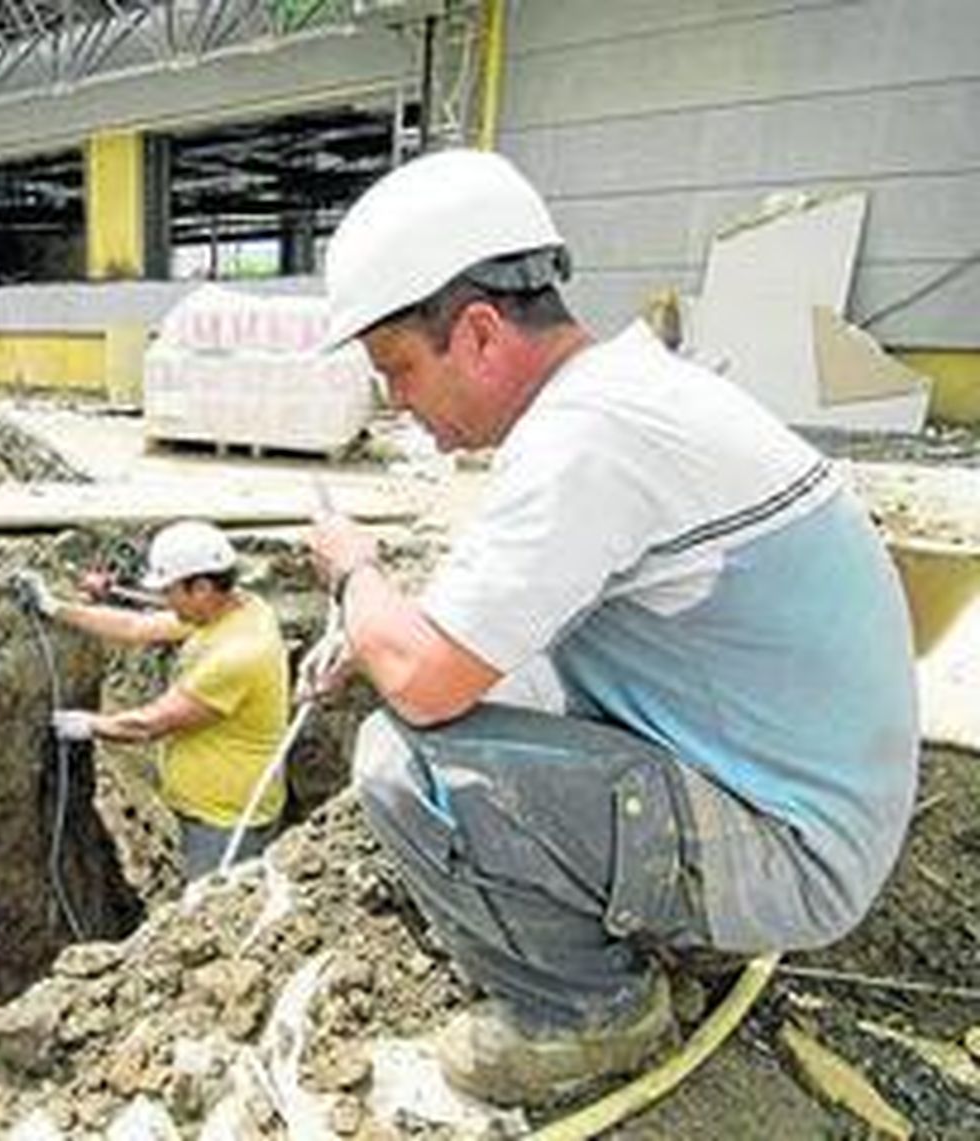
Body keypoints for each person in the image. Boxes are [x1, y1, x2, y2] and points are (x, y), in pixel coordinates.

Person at [301, 149, 918, 1107]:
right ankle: (628, 916)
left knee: (405, 760)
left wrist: (356, 575)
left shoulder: (586, 440)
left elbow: (425, 680)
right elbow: (497, 618)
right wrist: (392, 621)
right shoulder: (620, 397)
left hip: (795, 853)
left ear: (476, 332)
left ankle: (588, 1010)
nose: (398, 403)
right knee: (494, 680)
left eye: (399, 368)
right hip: (799, 787)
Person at [20, 521, 290, 880]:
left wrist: (87, 725)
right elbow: (137, 628)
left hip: (228, 822)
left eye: (170, 591)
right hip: (210, 811)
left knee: (210, 912)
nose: (164, 600)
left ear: (202, 588)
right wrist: (56, 608)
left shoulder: (238, 655)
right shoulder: (236, 609)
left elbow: (149, 724)